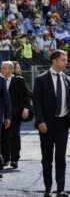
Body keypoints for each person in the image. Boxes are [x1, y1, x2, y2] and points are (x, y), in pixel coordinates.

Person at [33, 50, 70, 197]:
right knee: (47, 158)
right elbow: (36, 102)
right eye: (63, 60)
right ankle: (48, 187)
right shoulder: (41, 79)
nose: (66, 62)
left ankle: (60, 189)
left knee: (61, 157)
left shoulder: (67, 79)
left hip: (63, 125)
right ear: (54, 61)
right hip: (46, 125)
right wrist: (40, 121)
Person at [0, 61, 32, 169]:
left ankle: (14, 159)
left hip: (15, 113)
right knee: (3, 136)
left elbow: (26, 96)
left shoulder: (18, 80)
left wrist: (26, 109)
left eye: (4, 68)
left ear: (11, 70)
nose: (2, 70)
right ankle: (5, 158)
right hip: (1, 113)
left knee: (14, 135)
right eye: (1, 68)